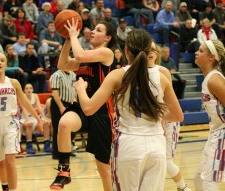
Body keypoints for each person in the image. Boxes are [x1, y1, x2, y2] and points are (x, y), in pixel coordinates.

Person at [73, 29, 183, 191]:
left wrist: (81, 89)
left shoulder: (118, 75)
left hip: (129, 144)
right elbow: (177, 115)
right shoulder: (162, 77)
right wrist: (151, 111)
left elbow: (89, 109)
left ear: (126, 51)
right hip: (157, 144)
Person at [50, 20, 117, 190]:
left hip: (101, 110)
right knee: (64, 123)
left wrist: (73, 35)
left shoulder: (106, 53)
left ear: (107, 37)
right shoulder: (85, 58)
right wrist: (67, 40)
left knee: (103, 167)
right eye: (93, 28)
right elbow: (62, 65)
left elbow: (79, 55)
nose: (93, 31)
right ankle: (64, 172)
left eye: (98, 30)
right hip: (81, 106)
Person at [0, 52, 43, 191]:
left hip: (11, 122)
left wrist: (38, 119)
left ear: (6, 64)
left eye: (2, 60)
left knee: (10, 161)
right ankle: (5, 187)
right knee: (0, 163)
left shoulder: (13, 82)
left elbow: (25, 102)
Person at [149, 41, 191, 191]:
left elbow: (168, 102)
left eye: (153, 49)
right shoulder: (137, 72)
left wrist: (163, 122)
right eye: (148, 48)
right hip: (150, 123)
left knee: (166, 161)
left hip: (166, 122)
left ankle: (183, 186)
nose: (151, 51)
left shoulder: (162, 72)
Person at [194, 39, 225, 191]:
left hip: (222, 134)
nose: (196, 52)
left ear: (211, 57)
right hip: (215, 133)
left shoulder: (214, 79)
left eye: (200, 51)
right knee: (199, 179)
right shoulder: (209, 78)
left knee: (208, 181)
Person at [49, 69, 76, 159]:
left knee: (72, 129)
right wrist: (61, 106)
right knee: (58, 129)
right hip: (58, 103)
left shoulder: (73, 74)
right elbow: (55, 93)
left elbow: (75, 90)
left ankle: (67, 150)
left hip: (70, 103)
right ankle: (56, 153)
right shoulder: (56, 75)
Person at [20, 83, 52, 154]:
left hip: (34, 118)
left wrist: (44, 118)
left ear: (33, 89)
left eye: (30, 88)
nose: (29, 90)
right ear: (24, 90)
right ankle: (29, 145)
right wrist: (27, 120)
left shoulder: (35, 96)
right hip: (24, 118)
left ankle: (46, 145)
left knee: (46, 123)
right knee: (29, 124)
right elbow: (24, 110)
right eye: (27, 88)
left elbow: (39, 108)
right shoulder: (22, 97)